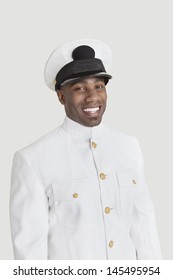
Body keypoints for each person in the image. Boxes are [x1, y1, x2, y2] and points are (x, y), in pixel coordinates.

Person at [10, 39, 162, 260]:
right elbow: (29, 252)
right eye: (80, 88)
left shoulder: (129, 147)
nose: (92, 96)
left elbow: (144, 227)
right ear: (61, 96)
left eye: (98, 86)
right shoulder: (32, 160)